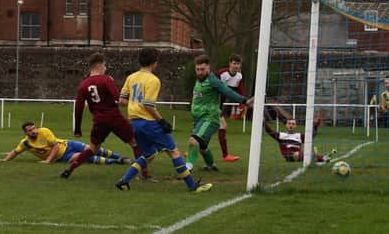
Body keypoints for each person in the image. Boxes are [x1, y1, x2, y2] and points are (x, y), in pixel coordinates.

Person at [115, 47, 211, 193]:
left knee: (149, 155)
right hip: (149, 122)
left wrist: (135, 105)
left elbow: (122, 100)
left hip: (135, 122)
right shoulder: (153, 80)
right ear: (154, 63)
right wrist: (161, 121)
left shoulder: (131, 77)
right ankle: (193, 186)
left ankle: (124, 180)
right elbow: (148, 104)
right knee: (173, 151)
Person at [60, 53, 146, 178]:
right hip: (114, 117)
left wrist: (77, 129)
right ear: (99, 65)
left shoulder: (83, 85)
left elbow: (78, 108)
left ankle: (70, 168)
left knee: (93, 148)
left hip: (99, 121)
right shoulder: (106, 79)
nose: (105, 68)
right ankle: (145, 173)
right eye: (105, 65)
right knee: (134, 142)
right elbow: (117, 98)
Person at [185, 54, 251, 172]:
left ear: (208, 68)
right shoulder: (199, 80)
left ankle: (186, 169)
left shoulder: (213, 81)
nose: (200, 72)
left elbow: (227, 91)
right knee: (202, 148)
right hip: (199, 118)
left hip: (210, 118)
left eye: (202, 69)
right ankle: (211, 166)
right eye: (197, 69)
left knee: (193, 141)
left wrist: (244, 101)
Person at [0, 121, 128, 165]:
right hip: (63, 157)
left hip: (68, 144)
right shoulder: (25, 143)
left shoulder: (44, 131)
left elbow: (54, 147)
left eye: (34, 128)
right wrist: (5, 160)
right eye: (30, 130)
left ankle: (119, 156)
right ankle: (116, 162)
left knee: (93, 148)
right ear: (26, 133)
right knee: (87, 158)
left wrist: (47, 161)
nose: (34, 131)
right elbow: (15, 152)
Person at [214, 54, 244, 162]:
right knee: (220, 126)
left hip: (218, 106)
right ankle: (225, 155)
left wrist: (242, 104)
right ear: (230, 63)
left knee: (213, 127)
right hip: (211, 104)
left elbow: (240, 91)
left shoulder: (239, 77)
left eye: (238, 64)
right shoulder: (221, 74)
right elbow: (210, 85)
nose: (236, 66)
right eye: (234, 63)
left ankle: (192, 148)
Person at [263, 118, 335, 163]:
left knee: (302, 153)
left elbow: (311, 136)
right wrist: (263, 122)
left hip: (299, 154)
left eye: (293, 124)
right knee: (298, 154)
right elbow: (269, 131)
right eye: (289, 123)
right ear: (286, 125)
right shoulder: (280, 135)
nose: (291, 125)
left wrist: (316, 125)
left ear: (295, 126)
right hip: (289, 156)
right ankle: (318, 157)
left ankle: (320, 157)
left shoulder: (299, 136)